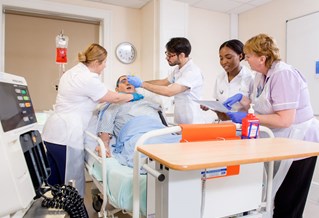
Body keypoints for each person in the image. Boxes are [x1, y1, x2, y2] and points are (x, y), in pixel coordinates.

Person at [223, 33, 319, 217]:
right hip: (281, 140)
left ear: (262, 57)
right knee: (275, 195)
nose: (246, 59)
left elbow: (285, 119)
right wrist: (242, 100)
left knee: (289, 198)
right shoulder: (260, 75)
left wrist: (247, 119)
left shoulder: (284, 74)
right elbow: (258, 102)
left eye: (249, 55)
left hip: (300, 141)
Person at [42, 43, 144, 197]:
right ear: (96, 63)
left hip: (53, 134)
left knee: (54, 184)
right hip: (66, 136)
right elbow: (113, 98)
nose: (105, 66)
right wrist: (133, 96)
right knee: (71, 186)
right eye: (104, 63)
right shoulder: (87, 79)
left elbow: (91, 98)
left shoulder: (73, 73)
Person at [95, 75, 180, 168]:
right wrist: (104, 146)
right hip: (137, 135)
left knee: (183, 142)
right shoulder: (113, 105)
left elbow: (161, 116)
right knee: (151, 146)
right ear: (117, 89)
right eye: (123, 81)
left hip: (159, 132)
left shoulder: (147, 101)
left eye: (131, 81)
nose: (128, 83)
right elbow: (105, 127)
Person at [127, 37, 204, 124]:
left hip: (192, 122)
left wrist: (142, 84)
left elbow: (169, 92)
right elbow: (163, 82)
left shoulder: (192, 72)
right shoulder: (178, 69)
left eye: (170, 55)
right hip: (180, 120)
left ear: (181, 55)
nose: (167, 58)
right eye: (166, 54)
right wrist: (142, 81)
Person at [200, 39, 254, 121]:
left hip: (242, 126)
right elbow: (219, 105)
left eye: (228, 57)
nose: (224, 62)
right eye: (221, 58)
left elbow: (255, 109)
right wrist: (211, 106)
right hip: (223, 125)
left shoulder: (250, 78)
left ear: (240, 56)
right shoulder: (220, 78)